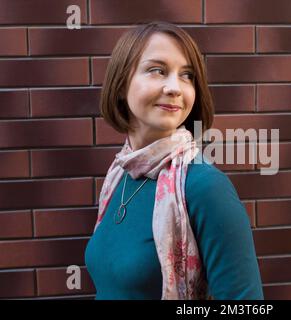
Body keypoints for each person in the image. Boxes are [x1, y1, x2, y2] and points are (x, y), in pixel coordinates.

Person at [84, 21, 264, 300]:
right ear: (121, 85)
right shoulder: (120, 174)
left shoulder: (204, 186)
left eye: (187, 75)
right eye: (158, 70)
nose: (175, 87)